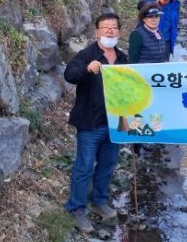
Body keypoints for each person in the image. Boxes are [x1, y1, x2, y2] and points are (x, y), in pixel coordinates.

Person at [63, 12, 128, 234]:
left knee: (108, 165)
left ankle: (99, 201)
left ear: (119, 31)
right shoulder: (87, 55)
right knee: (84, 167)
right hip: (90, 124)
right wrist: (86, 69)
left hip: (115, 125)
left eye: (114, 27)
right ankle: (76, 209)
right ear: (97, 32)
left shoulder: (123, 59)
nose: (110, 31)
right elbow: (69, 74)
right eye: (105, 27)